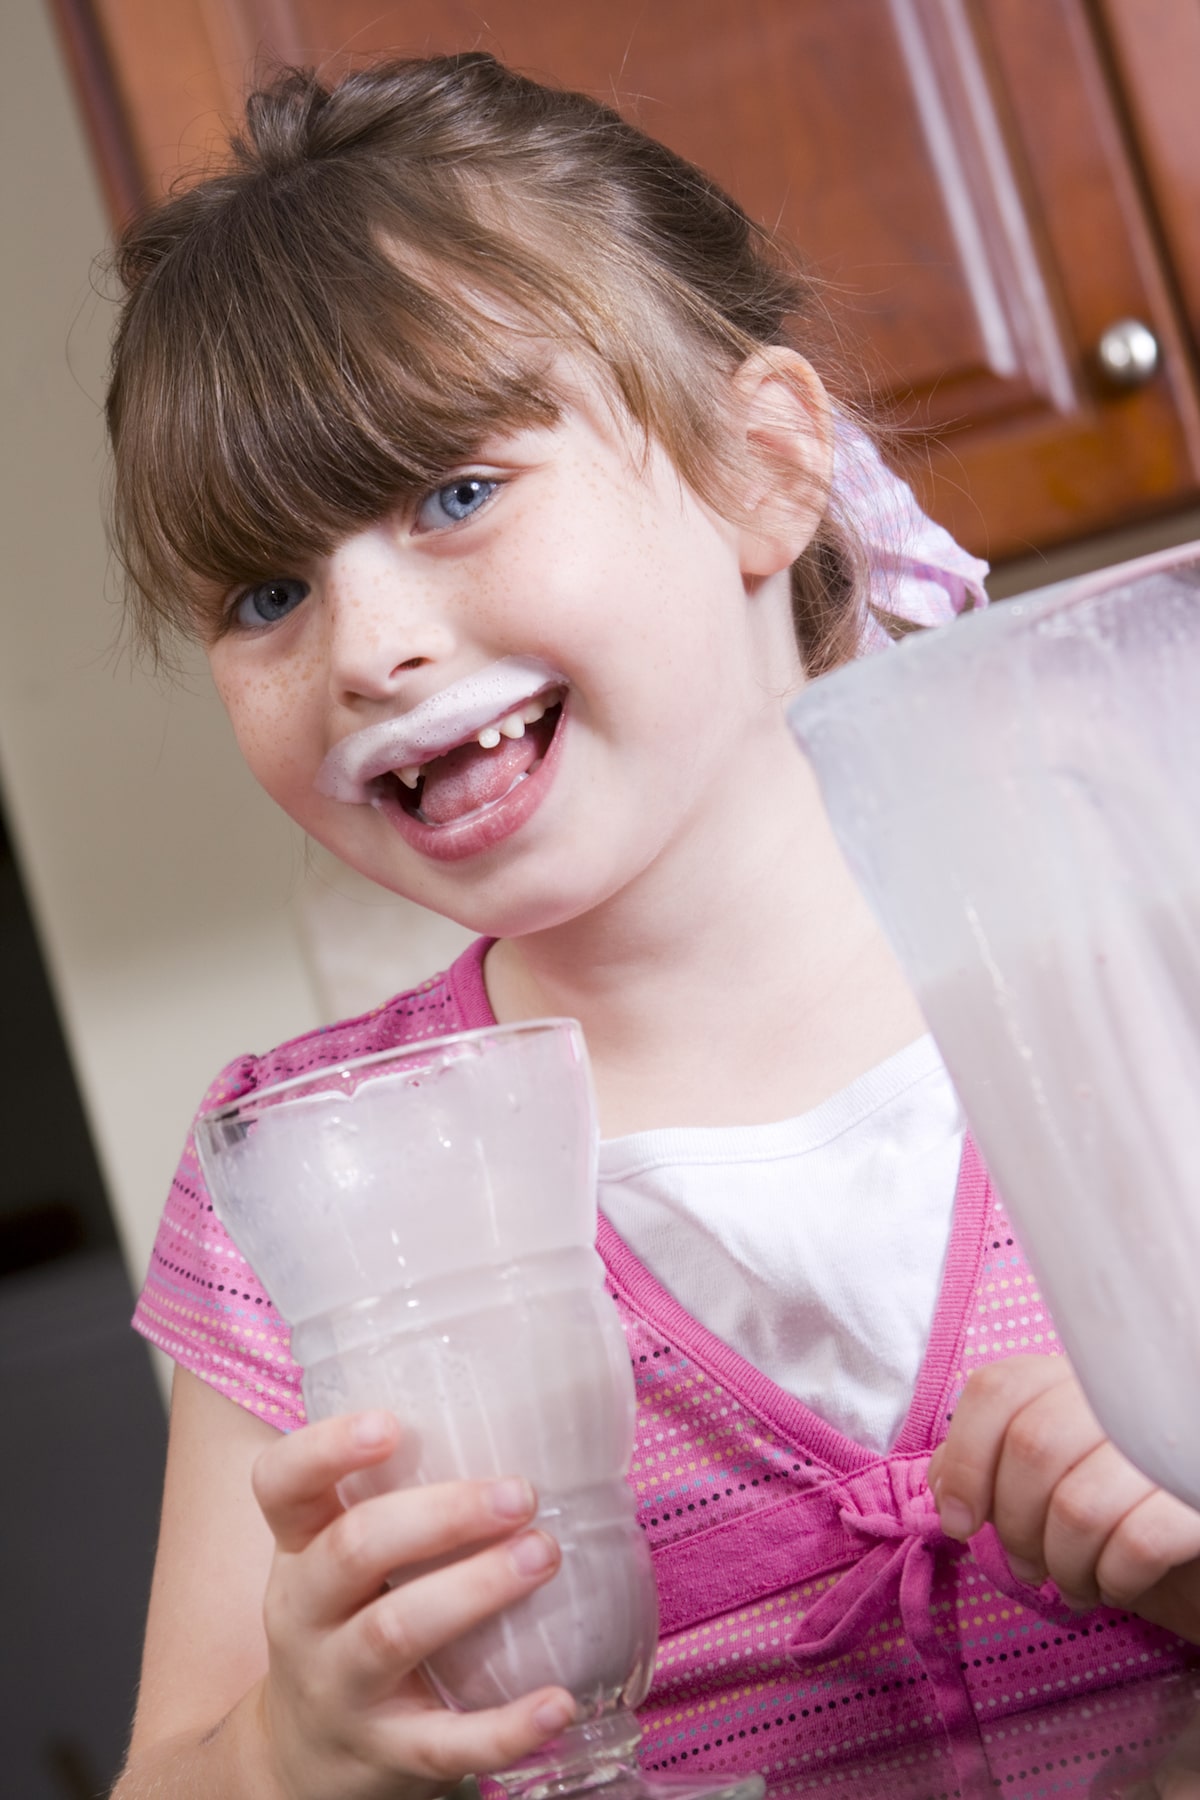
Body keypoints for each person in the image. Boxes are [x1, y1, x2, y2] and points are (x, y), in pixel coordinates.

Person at [105, 53, 1200, 1800]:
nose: (369, 641)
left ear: (765, 469)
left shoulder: (1144, 969)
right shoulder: (309, 1176)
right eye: (266, 589)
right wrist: (285, 1751)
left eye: (455, 493)